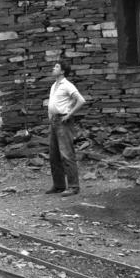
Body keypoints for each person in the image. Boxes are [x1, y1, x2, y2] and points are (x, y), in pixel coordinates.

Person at [44, 59, 85, 195]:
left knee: (67, 154)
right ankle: (59, 185)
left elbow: (81, 100)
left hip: (63, 121)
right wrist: (50, 117)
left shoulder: (67, 85)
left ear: (62, 71)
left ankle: (74, 187)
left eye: (56, 67)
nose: (53, 68)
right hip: (54, 121)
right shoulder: (54, 85)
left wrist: (69, 114)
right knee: (54, 155)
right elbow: (53, 104)